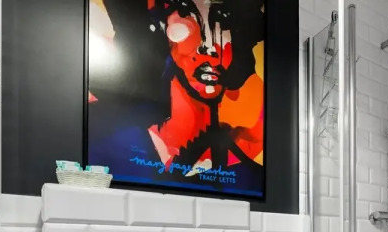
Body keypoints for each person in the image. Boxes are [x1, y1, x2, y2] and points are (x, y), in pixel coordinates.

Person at [88, 0, 265, 197]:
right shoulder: (105, 131)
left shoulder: (248, 170)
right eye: (186, 15)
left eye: (222, 22)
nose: (209, 50)